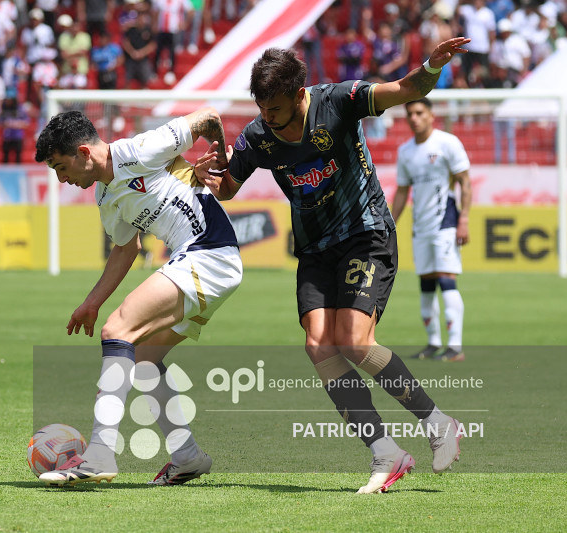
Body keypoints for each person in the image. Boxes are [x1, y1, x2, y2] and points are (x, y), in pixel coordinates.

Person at [198, 37, 470, 494]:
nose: (268, 118)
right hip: (314, 250)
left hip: (366, 234)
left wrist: (430, 66)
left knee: (354, 340)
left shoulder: (340, 101)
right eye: (262, 108)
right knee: (319, 346)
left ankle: (438, 422)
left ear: (301, 95)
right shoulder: (258, 136)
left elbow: (404, 88)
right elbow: (229, 188)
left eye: (277, 109)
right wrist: (213, 177)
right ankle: (385, 452)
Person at [32, 107, 241, 487]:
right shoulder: (105, 198)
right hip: (203, 261)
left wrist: (223, 167)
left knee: (118, 330)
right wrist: (91, 302)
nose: (62, 179)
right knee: (144, 360)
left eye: (61, 167)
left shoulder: (141, 149)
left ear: (83, 153)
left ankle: (98, 455)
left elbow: (210, 118)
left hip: (208, 254)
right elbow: (126, 251)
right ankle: (188, 457)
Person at [392, 98, 472, 362]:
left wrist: (464, 219)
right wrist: (390, 223)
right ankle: (433, 344)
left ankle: (456, 347)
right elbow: (403, 191)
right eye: (410, 114)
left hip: (446, 222)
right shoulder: (405, 151)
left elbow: (464, 182)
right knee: (426, 284)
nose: (414, 118)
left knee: (447, 280)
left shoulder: (447, 143)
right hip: (420, 227)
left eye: (419, 113)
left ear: (430, 115)